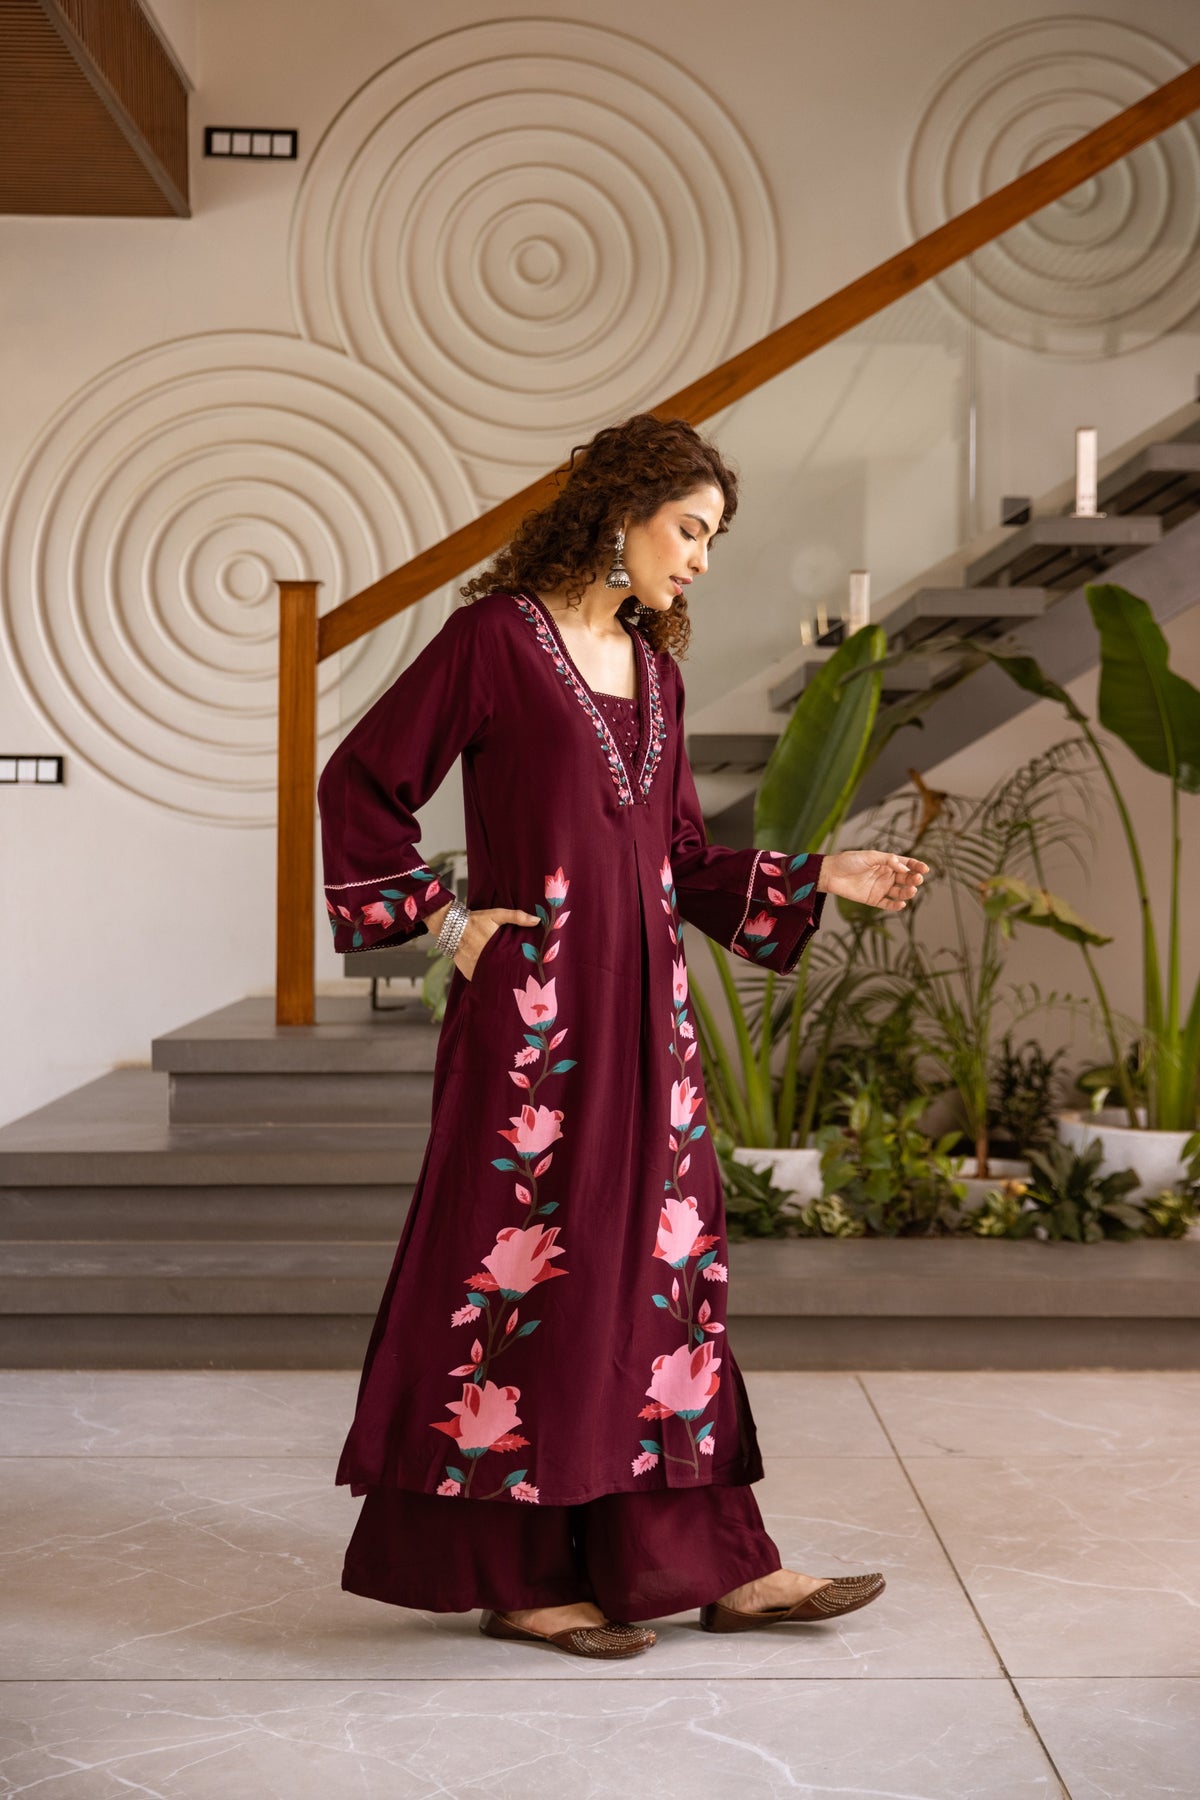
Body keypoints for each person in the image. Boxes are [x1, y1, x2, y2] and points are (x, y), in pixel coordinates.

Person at [317, 413, 928, 1660]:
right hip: (536, 1029)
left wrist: (823, 875)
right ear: (619, 514)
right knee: (524, 1279)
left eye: (712, 540)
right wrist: (446, 920)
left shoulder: (657, 674)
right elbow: (361, 783)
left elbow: (681, 860)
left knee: (664, 1284)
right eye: (688, 530)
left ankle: (718, 1562)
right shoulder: (494, 641)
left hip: (652, 1023)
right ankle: (523, 1577)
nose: (699, 559)